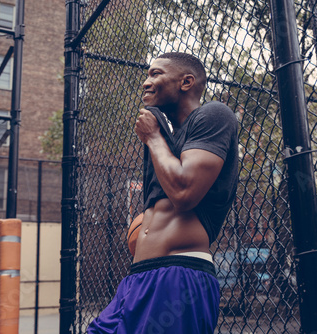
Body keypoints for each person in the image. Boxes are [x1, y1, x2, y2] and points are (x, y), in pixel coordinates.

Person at [87, 52, 239, 334]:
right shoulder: (168, 142)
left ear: (186, 82)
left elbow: (184, 193)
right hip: (137, 278)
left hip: (178, 276)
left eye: (155, 74)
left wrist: (153, 138)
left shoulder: (214, 115)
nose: (146, 82)